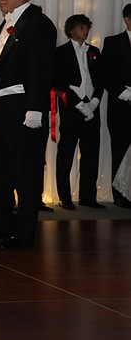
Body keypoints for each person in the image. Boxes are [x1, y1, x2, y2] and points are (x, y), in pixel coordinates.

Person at [0, 0, 56, 249]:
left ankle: (24, 231)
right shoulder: (7, 23)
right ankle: (1, 222)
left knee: (25, 169)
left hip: (23, 106)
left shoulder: (39, 24)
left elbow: (41, 69)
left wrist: (35, 109)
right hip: (0, 104)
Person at [53, 14, 104, 210]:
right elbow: (59, 82)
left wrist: (94, 102)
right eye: (81, 27)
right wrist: (80, 104)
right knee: (66, 152)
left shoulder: (94, 51)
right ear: (71, 30)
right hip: (72, 110)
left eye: (87, 27)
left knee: (91, 152)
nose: (85, 30)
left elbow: (100, 79)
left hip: (93, 108)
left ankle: (88, 196)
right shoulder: (60, 53)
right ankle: (64, 196)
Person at [102, 3, 131, 209]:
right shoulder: (113, 42)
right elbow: (104, 75)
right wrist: (124, 92)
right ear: (127, 19)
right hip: (121, 105)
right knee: (120, 148)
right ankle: (120, 193)